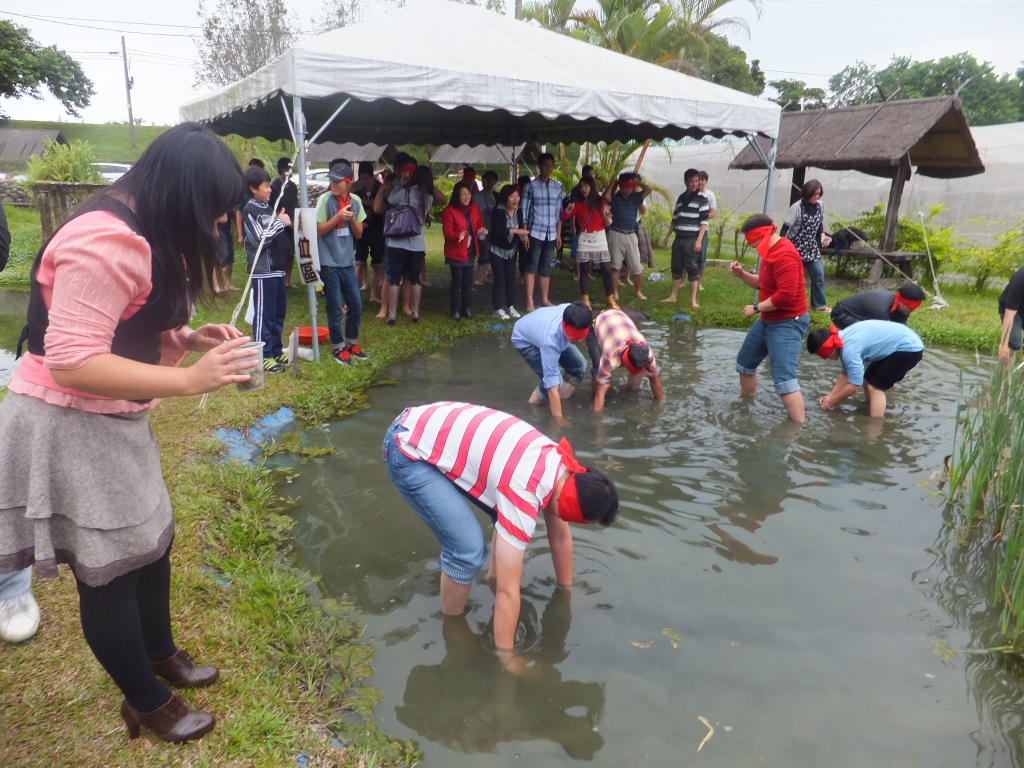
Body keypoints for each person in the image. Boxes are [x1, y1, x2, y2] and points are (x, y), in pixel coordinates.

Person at [0, 122, 259, 742]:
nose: (221, 224)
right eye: (217, 212)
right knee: (109, 566)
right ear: (186, 195)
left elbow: (126, 325)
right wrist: (194, 380)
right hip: (69, 422)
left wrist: (184, 340)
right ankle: (144, 699)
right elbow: (73, 358)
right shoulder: (106, 238)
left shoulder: (143, 225)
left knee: (153, 540)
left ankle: (159, 651)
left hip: (113, 416)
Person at [382, 402, 619, 666]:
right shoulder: (524, 493)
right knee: (468, 551)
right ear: (570, 508)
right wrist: (508, 660)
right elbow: (508, 592)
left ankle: (488, 581)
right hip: (407, 448)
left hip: (425, 424)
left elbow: (561, 538)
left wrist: (567, 592)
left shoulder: (559, 469)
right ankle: (453, 627)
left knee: (503, 523)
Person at [730, 213, 810, 423]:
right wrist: (741, 275)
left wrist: (755, 308)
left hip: (788, 322)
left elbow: (786, 296)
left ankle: (797, 429)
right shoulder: (769, 252)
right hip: (768, 319)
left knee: (784, 380)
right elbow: (762, 284)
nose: (754, 246)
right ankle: (747, 409)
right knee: (745, 364)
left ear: (766, 233)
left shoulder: (785, 254)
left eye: (754, 241)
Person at [807, 320, 925, 418]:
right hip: (899, 343)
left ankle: (875, 427)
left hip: (909, 348)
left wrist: (830, 403)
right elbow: (845, 375)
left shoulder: (849, 349)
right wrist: (829, 397)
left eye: (825, 355)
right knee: (867, 381)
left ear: (829, 348)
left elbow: (854, 384)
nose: (826, 359)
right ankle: (872, 407)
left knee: (875, 387)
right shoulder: (842, 339)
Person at [315, 162, 368, 365]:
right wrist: (337, 216)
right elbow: (318, 230)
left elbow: (359, 233)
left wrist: (351, 217)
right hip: (329, 263)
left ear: (348, 183)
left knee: (356, 305)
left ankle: (351, 343)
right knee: (335, 307)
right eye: (331, 180)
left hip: (347, 263)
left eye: (337, 181)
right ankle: (338, 347)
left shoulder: (355, 201)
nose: (333, 184)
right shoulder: (324, 200)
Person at [375, 160, 440, 324]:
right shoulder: (429, 197)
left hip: (398, 241)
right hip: (417, 243)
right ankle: (415, 312)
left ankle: (392, 314)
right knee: (415, 277)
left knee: (395, 278)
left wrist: (401, 184)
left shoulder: (406, 191)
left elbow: (390, 199)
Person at [242, 165, 290, 373]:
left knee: (278, 313)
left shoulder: (266, 207)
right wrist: (280, 222)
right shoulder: (250, 210)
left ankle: (276, 349)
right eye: (266, 186)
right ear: (253, 188)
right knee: (264, 315)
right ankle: (264, 355)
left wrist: (277, 218)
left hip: (278, 270)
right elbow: (261, 239)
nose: (270, 189)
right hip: (264, 272)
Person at [511, 302, 591, 422]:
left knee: (580, 367)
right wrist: (559, 421)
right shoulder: (550, 341)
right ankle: (531, 406)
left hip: (541, 327)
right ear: (565, 327)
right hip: (524, 339)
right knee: (555, 382)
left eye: (582, 336)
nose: (579, 340)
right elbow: (552, 384)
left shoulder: (575, 313)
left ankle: (559, 401)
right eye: (575, 337)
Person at [587, 307, 664, 412]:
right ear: (624, 360)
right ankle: (592, 397)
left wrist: (659, 407)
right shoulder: (610, 358)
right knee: (597, 370)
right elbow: (601, 392)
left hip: (620, 318)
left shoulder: (647, 353)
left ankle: (631, 393)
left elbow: (654, 378)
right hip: (598, 322)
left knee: (636, 378)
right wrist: (597, 424)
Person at [561, 177, 613, 309]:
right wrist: (568, 210)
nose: (583, 189)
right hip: (584, 239)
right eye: (581, 186)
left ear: (592, 187)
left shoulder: (601, 202)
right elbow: (563, 216)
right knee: (584, 270)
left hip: (600, 237)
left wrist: (607, 220)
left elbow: (609, 219)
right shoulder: (577, 204)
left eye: (586, 186)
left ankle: (610, 298)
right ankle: (585, 300)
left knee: (607, 269)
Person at [521, 153, 564, 312]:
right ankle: (530, 302)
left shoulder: (557, 186)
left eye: (551, 165)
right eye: (545, 165)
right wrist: (525, 233)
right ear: (539, 166)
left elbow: (559, 213)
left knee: (546, 267)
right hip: (535, 232)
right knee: (531, 267)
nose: (548, 169)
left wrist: (558, 234)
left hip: (551, 233)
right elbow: (524, 211)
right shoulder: (530, 186)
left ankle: (545, 299)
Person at [781, 180, 832, 313]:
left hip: (811, 246)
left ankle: (819, 305)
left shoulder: (820, 206)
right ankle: (788, 304)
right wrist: (781, 246)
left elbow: (819, 223)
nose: (817, 197)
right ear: (807, 194)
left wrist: (822, 236)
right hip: (795, 246)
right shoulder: (796, 207)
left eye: (819, 194)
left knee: (818, 274)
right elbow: (785, 228)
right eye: (814, 194)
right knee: (794, 278)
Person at [661, 169, 709, 309]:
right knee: (676, 266)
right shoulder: (681, 198)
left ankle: (693, 300)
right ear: (686, 182)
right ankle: (673, 295)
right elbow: (675, 219)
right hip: (679, 238)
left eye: (696, 181)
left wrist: (699, 240)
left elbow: (704, 222)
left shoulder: (702, 198)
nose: (694, 184)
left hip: (692, 238)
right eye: (691, 181)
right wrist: (667, 236)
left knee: (692, 267)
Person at [441, 181, 487, 321]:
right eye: (463, 194)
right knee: (457, 282)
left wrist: (482, 229)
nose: (467, 197)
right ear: (457, 196)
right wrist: (457, 235)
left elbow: (479, 224)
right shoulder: (449, 211)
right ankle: (455, 309)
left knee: (468, 281)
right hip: (456, 251)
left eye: (468, 194)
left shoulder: (474, 207)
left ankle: (466, 307)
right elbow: (447, 232)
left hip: (471, 250)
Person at [604, 172, 652, 302]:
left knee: (637, 266)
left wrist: (636, 183)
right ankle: (614, 292)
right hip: (616, 233)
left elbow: (648, 189)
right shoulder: (615, 197)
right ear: (621, 186)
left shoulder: (636, 197)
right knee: (615, 266)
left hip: (631, 234)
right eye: (625, 186)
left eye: (630, 186)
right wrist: (613, 184)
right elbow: (605, 197)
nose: (627, 189)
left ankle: (638, 292)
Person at [488, 184, 529, 320]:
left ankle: (510, 306)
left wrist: (523, 236)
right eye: (512, 196)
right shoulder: (498, 210)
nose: (515, 199)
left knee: (511, 279)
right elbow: (496, 231)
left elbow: (520, 228)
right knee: (499, 279)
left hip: (511, 250)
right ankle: (497, 309)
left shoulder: (519, 211)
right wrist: (515, 231)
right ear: (505, 198)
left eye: (517, 196)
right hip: (497, 250)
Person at [353, 161, 386, 302]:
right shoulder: (355, 192)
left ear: (372, 176)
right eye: (362, 178)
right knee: (360, 262)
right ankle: (353, 297)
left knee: (378, 264)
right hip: (361, 232)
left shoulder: (380, 189)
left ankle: (373, 294)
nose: (365, 181)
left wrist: (362, 202)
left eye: (367, 178)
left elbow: (380, 206)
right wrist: (360, 217)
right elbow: (350, 209)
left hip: (378, 231)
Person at [830, 284, 926, 330]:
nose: (913, 310)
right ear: (900, 302)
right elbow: (878, 334)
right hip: (841, 314)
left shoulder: (901, 306)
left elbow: (900, 327)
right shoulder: (880, 310)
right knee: (865, 332)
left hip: (865, 314)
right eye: (910, 308)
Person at [269, 157, 299, 288]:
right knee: (284, 251)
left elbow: (294, 204)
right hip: (279, 224)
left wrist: (295, 220)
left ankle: (288, 280)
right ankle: (280, 279)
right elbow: (272, 207)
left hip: (292, 224)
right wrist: (282, 220)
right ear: (283, 169)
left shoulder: (292, 186)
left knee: (291, 252)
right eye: (289, 168)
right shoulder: (274, 186)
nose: (291, 170)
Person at [473, 170, 499, 286]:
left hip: (492, 227)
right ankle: (478, 277)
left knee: (488, 250)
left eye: (491, 179)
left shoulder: (494, 195)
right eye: (486, 180)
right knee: (483, 251)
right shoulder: (479, 195)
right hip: (483, 227)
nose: (488, 182)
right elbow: (480, 212)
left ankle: (484, 276)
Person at [234, 158, 264, 244]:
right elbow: (239, 213)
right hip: (250, 233)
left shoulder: (267, 191)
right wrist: (240, 235)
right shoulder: (243, 191)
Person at [997, 266, 1024, 360]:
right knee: (1014, 343)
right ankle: (1005, 373)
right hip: (1013, 310)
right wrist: (1003, 344)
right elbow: (1009, 314)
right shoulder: (1020, 280)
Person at [697, 171, 716, 290]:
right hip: (690, 230)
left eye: (702, 180)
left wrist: (702, 217)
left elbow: (713, 212)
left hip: (703, 230)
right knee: (686, 255)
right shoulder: (691, 194)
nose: (700, 182)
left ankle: (699, 282)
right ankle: (683, 280)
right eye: (698, 179)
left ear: (706, 181)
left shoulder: (710, 195)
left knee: (701, 257)